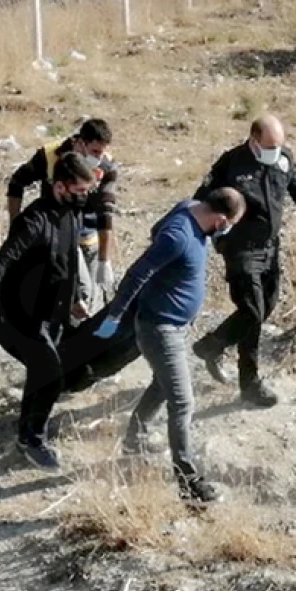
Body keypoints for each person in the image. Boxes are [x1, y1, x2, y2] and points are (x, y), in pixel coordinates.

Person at [94, 188, 246, 505]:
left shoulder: (190, 208)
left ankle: (133, 442)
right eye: (230, 223)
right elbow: (138, 272)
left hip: (175, 326)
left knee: (163, 386)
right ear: (220, 219)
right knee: (183, 402)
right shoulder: (178, 235)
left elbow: (154, 231)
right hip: (159, 329)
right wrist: (115, 313)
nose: (228, 230)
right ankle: (189, 483)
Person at [190, 115, 296, 408]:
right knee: (252, 311)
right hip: (240, 248)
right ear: (253, 140)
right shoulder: (232, 163)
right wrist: (198, 240)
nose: (275, 151)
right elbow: (202, 200)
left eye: (279, 145)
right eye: (269, 146)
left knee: (265, 307)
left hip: (270, 247)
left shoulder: (283, 159)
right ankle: (250, 384)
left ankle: (212, 344)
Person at [0, 153, 96, 470]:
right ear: (61, 187)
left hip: (56, 310)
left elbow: (69, 261)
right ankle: (31, 438)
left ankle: (31, 425)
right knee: (50, 372)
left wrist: (77, 296)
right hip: (24, 312)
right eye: (80, 191)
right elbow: (3, 261)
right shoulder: (34, 220)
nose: (85, 197)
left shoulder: (72, 214)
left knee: (44, 371)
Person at [6, 118, 119, 309]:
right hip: (60, 238)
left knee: (90, 302)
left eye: (102, 152)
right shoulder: (50, 156)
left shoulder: (107, 166)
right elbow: (17, 183)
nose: (98, 158)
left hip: (89, 237)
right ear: (81, 143)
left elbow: (106, 214)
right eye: (95, 152)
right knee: (78, 294)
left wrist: (104, 259)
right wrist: (15, 224)